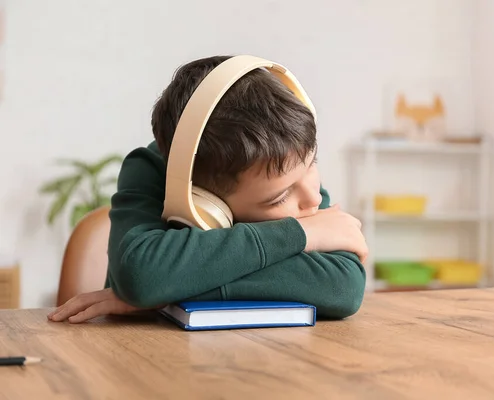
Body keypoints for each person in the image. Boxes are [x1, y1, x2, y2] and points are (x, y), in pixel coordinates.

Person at [48, 55, 368, 324]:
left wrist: (169, 287)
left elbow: (343, 286)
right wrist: (302, 234)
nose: (313, 199)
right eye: (279, 197)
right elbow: (140, 277)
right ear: (207, 204)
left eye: (313, 163)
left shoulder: (292, 165)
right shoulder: (150, 168)